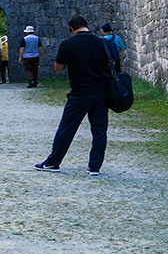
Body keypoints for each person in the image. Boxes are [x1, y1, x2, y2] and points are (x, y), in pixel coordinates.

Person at [35, 15, 115, 175]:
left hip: (79, 93)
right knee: (99, 130)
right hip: (100, 92)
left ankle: (53, 162)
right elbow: (110, 64)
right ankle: (94, 167)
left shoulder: (67, 44)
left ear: (71, 29)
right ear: (87, 25)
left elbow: (58, 68)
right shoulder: (102, 42)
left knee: (66, 128)